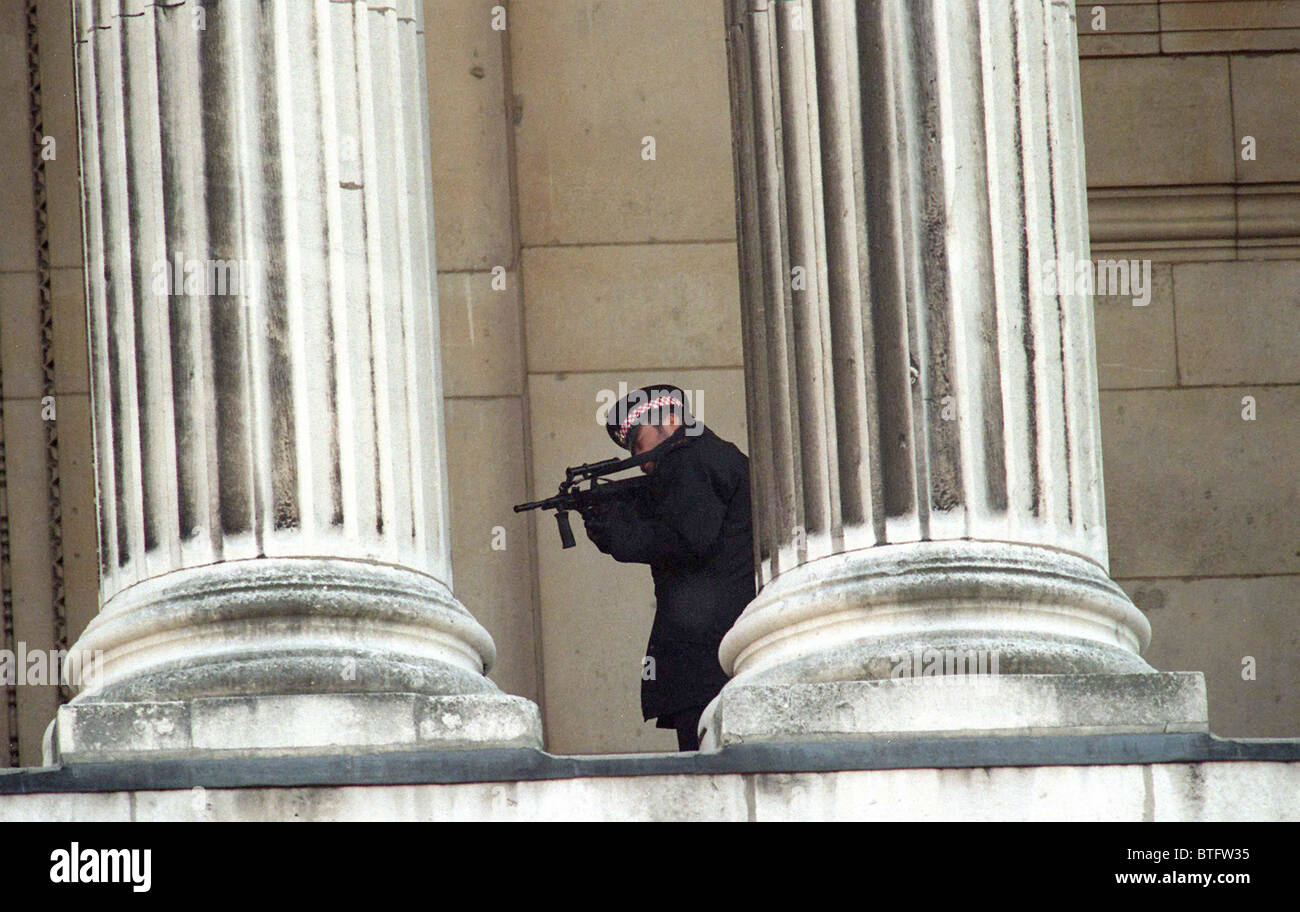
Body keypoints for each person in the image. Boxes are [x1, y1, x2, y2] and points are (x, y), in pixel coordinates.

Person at [580, 385, 755, 751]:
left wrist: (615, 535)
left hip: (706, 656)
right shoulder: (716, 457)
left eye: (640, 443)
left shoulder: (689, 459)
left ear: (671, 421)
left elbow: (686, 541)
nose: (641, 459)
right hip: (722, 651)